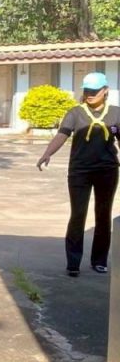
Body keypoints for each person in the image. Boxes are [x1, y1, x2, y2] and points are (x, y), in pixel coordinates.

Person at [37, 72, 120, 277]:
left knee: (103, 215)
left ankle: (99, 260)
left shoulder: (116, 113)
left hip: (107, 170)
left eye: (94, 91)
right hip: (79, 171)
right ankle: (73, 262)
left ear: (105, 90)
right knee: (77, 214)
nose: (90, 94)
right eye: (87, 91)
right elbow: (62, 135)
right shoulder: (75, 113)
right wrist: (47, 153)